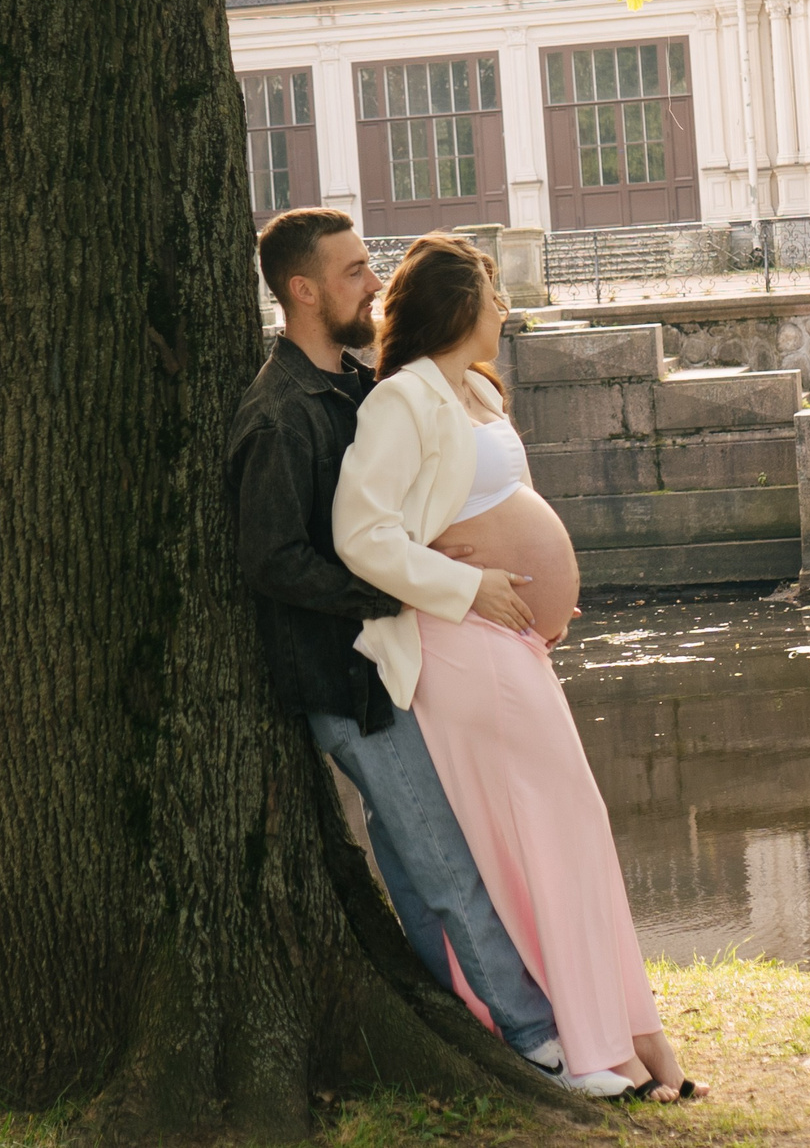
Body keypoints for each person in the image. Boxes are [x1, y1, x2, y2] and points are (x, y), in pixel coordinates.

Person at [333, 234, 704, 1103]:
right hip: (459, 646)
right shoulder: (401, 401)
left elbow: (494, 504)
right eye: (493, 294)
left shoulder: (473, 390)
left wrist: (540, 594)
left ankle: (632, 1037)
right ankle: (582, 1044)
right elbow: (362, 534)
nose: (505, 309)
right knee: (542, 829)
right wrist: (468, 583)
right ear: (461, 304)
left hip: (509, 643)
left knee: (566, 823)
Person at [225, 209, 579, 1089]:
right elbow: (272, 560)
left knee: (415, 860)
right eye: (353, 272)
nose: (374, 285)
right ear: (302, 290)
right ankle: (536, 1037)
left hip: (392, 659)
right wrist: (403, 582)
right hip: (346, 680)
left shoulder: (349, 383)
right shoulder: (278, 416)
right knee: (442, 857)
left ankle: (456, 1006)